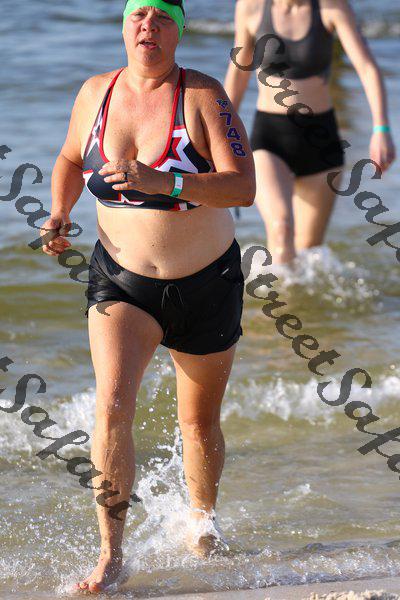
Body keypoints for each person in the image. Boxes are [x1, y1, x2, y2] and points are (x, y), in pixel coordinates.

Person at [40, 0, 255, 593]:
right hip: (122, 281)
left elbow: (243, 187)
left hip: (206, 282)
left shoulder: (203, 96)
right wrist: (59, 212)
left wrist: (167, 182)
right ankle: (112, 554)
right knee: (111, 406)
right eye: (138, 15)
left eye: (161, 18)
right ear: (124, 25)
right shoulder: (96, 93)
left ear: (178, 31)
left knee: (198, 422)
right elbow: (69, 158)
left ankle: (203, 527)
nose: (147, 27)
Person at [224, 0, 396, 264]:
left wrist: (381, 128)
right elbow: (238, 73)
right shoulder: (251, 7)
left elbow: (366, 67)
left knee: (309, 254)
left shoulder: (331, 7)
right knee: (281, 229)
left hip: (321, 143)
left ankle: (297, 292)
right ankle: (277, 290)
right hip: (269, 139)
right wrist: (221, 134)